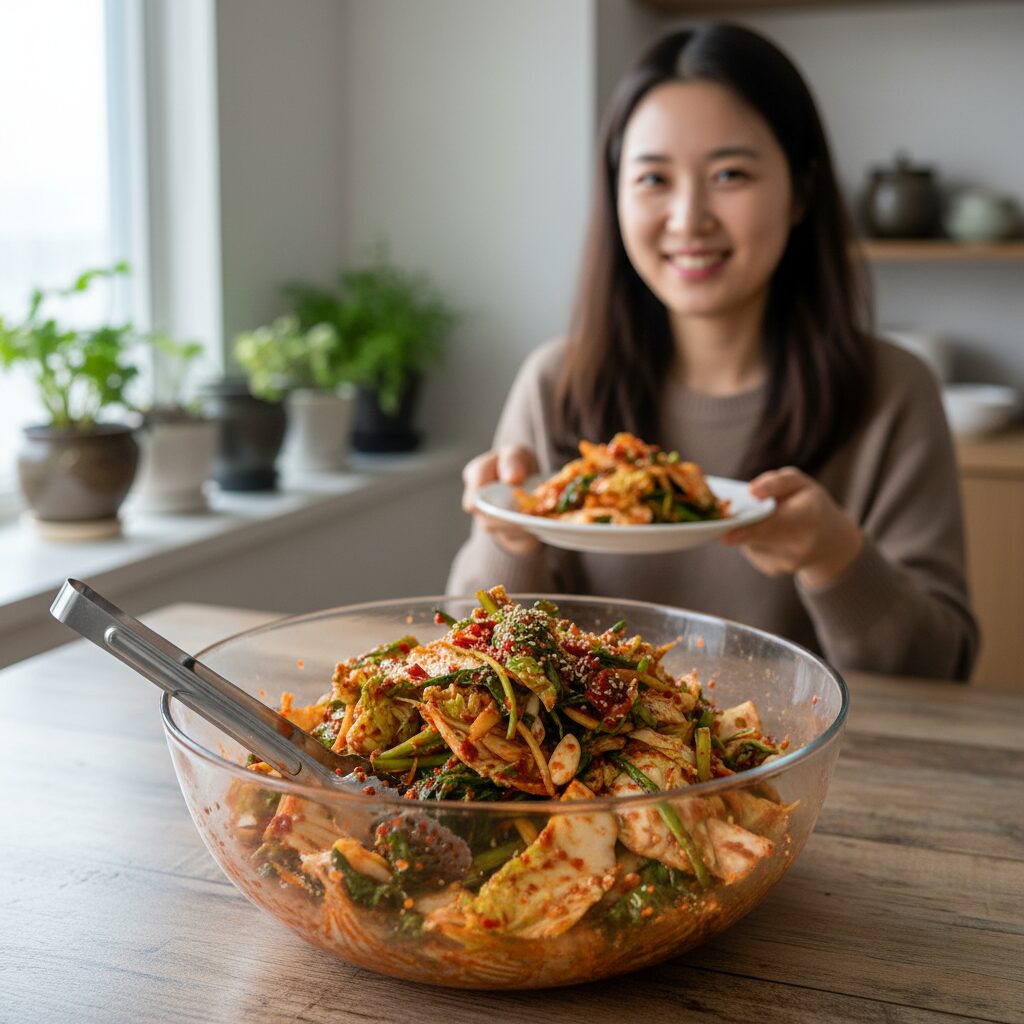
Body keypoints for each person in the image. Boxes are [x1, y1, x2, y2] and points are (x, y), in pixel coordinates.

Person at [447, 23, 977, 681]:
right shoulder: (558, 382)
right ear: (616, 197)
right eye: (653, 179)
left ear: (802, 192)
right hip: (601, 781)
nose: (689, 217)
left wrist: (835, 554)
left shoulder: (894, 392)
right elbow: (469, 661)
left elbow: (941, 669)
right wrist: (510, 539)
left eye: (730, 174)